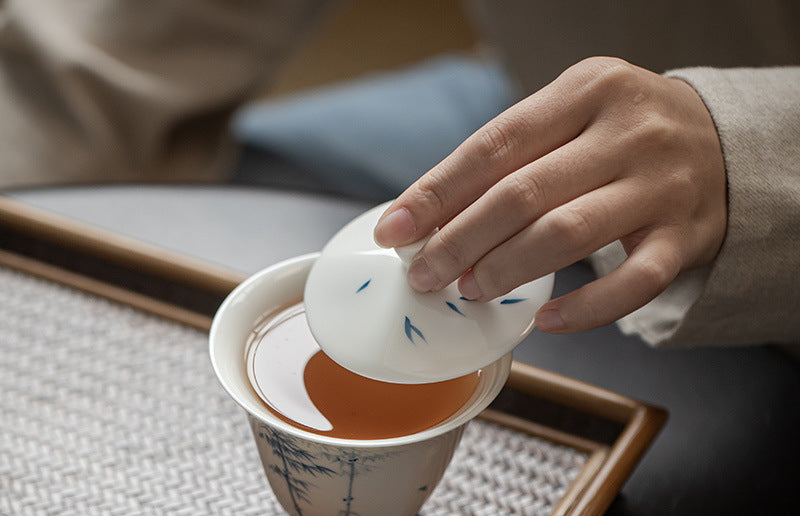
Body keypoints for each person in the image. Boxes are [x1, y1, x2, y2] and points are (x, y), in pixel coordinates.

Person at [0, 0, 798, 354]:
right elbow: (110, 47)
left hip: (759, 175)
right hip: (525, 96)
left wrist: (741, 150)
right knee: (209, 231)